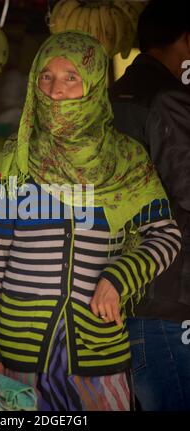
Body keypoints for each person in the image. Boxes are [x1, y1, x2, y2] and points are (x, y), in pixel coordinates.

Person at [0, 30, 181, 411]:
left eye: (71, 77)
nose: (56, 90)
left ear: (94, 83)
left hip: (98, 360)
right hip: (18, 359)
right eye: (46, 76)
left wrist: (119, 278)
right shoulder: (13, 160)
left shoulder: (125, 160)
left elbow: (164, 235)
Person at [109, 0, 190, 411]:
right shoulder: (167, 98)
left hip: (125, 294)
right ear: (185, 40)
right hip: (169, 300)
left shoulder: (111, 96)